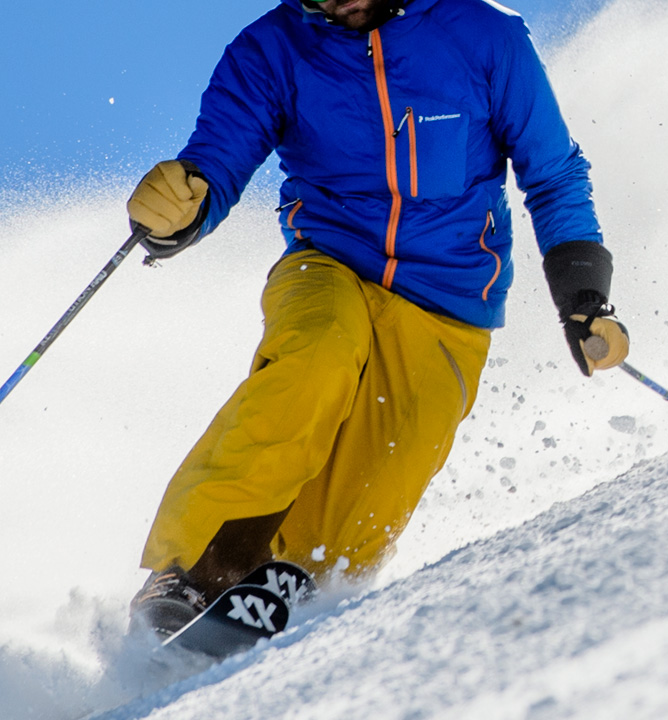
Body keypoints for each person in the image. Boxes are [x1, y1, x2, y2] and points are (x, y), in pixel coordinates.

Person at [123, 0, 630, 635]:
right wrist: (183, 204)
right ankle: (195, 570)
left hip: (448, 302)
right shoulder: (272, 50)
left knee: (393, 458)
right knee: (316, 359)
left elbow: (552, 172)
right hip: (329, 263)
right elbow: (216, 162)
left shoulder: (484, 35)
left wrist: (583, 298)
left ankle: (295, 583)